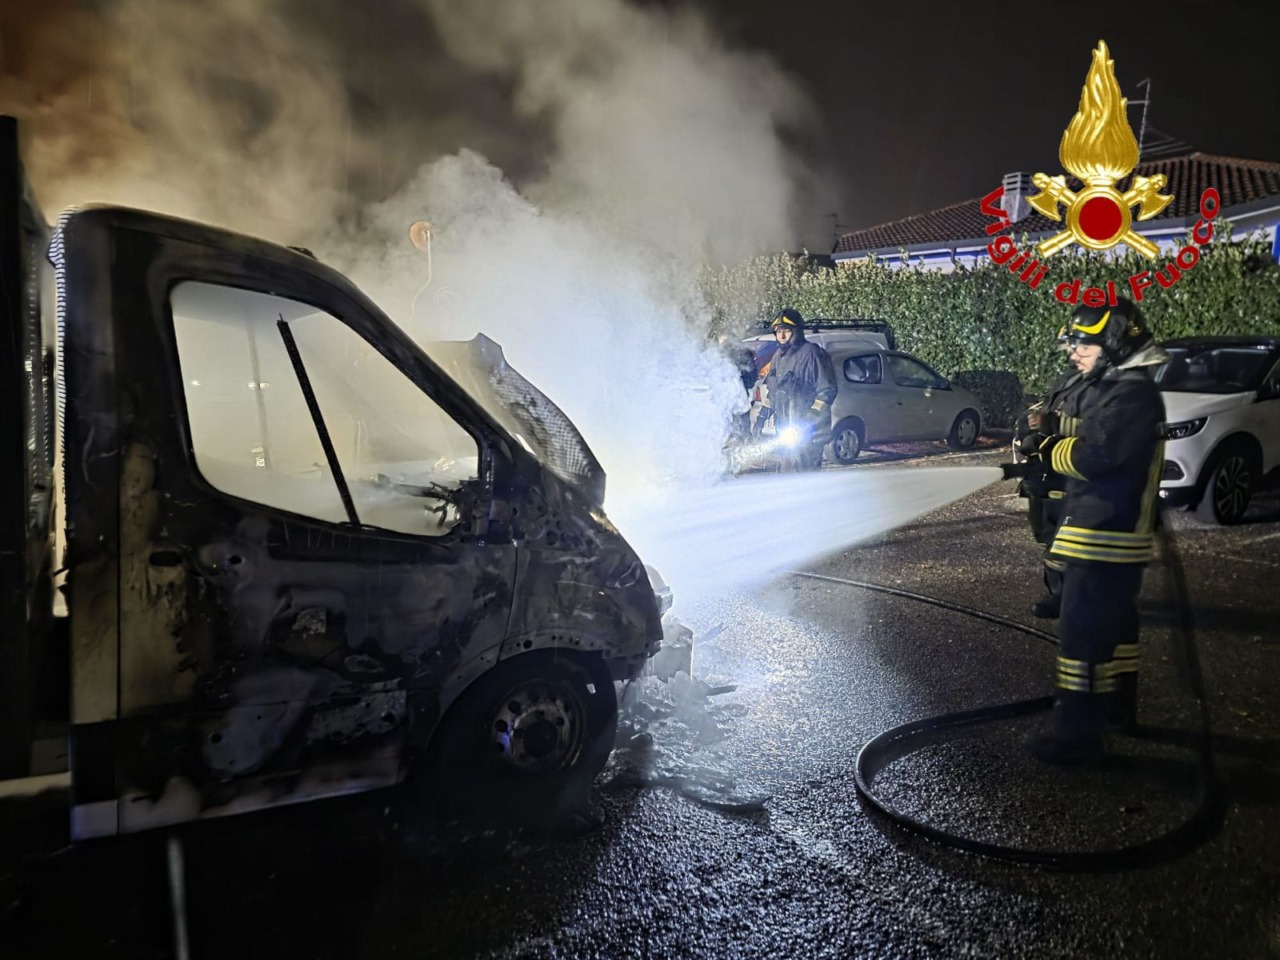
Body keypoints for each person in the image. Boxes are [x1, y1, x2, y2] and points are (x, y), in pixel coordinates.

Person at [1014, 297, 1168, 765]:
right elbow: (1076, 419)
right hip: (1105, 528)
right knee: (1116, 630)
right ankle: (1117, 710)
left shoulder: (1133, 394)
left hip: (1107, 531)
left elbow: (1095, 456)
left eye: (1085, 343)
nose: (1074, 352)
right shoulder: (1111, 385)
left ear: (1116, 343)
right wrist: (1044, 431)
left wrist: (1050, 448)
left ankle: (1075, 734)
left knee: (1081, 636)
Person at [1013, 328, 1084, 619]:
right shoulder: (1070, 378)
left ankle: (1068, 600)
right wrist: (1040, 421)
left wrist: (1048, 436)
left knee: (1067, 546)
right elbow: (1055, 411)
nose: (1070, 352)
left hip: (1077, 474)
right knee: (1049, 535)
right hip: (1052, 473)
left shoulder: (1106, 386)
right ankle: (1060, 594)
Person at [759, 308, 836, 470]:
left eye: (786, 331)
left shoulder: (812, 354)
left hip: (809, 433)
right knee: (788, 478)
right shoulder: (777, 357)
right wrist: (762, 416)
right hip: (787, 429)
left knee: (806, 479)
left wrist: (810, 417)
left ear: (797, 332)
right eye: (778, 331)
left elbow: (827, 390)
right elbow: (773, 390)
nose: (781, 335)